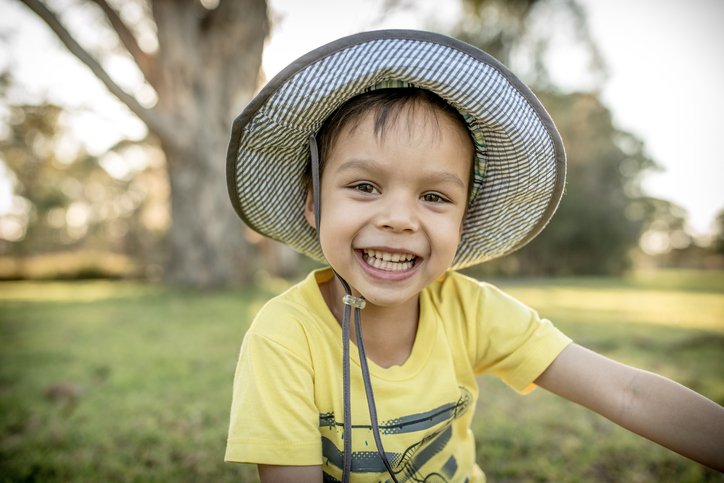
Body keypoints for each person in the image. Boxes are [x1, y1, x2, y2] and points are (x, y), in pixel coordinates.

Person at [224, 30, 724, 482]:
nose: (399, 218)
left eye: (435, 197)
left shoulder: (470, 310)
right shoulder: (283, 339)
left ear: (462, 222)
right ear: (314, 201)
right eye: (364, 186)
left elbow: (627, 393)